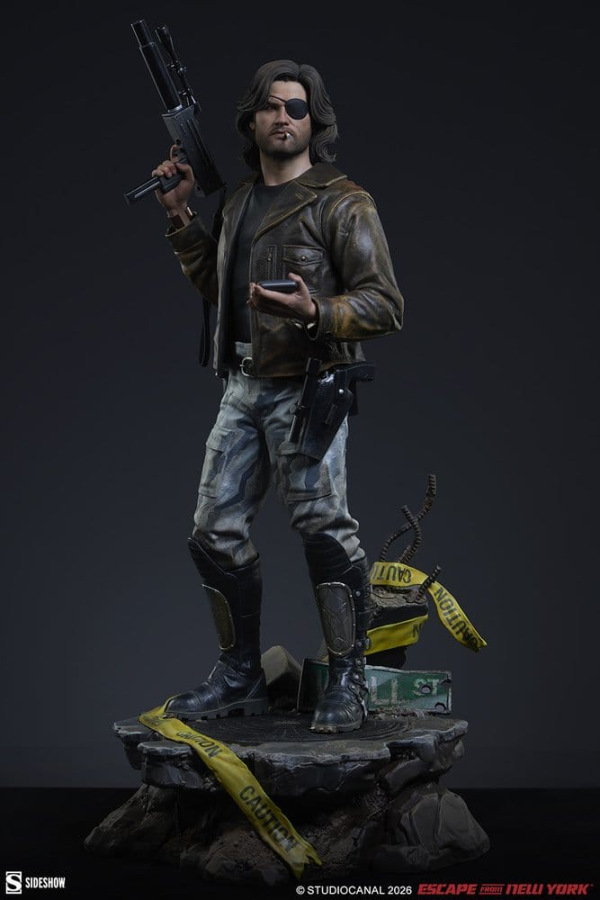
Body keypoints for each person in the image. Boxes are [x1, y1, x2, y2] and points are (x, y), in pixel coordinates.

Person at [150, 59, 404, 733]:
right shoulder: (238, 201)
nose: (283, 117)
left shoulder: (343, 202)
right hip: (242, 386)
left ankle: (346, 678)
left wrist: (316, 311)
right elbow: (221, 288)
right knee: (214, 530)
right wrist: (181, 218)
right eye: (270, 106)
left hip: (309, 389)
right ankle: (240, 674)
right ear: (252, 119)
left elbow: (385, 305)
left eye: (296, 108)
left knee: (324, 527)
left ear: (315, 122)